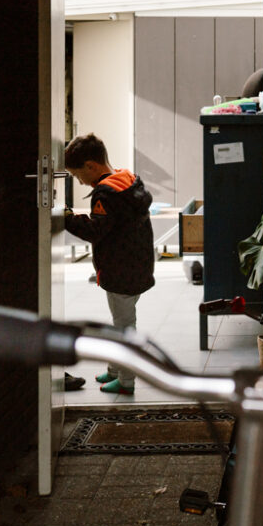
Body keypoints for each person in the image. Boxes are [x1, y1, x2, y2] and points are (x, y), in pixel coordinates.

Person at [64, 133, 155, 395]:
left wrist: (68, 218)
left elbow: (96, 230)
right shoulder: (127, 180)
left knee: (124, 327)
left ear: (91, 166)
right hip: (137, 265)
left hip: (119, 270)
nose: (80, 182)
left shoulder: (105, 194)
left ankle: (126, 381)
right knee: (119, 321)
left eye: (78, 175)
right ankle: (115, 370)